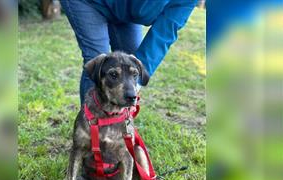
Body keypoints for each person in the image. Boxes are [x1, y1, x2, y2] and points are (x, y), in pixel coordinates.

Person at [60, 0, 197, 104]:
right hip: (88, 3)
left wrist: (136, 83)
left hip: (125, 12)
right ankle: (91, 128)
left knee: (131, 66)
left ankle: (117, 126)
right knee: (98, 60)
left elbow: (166, 30)